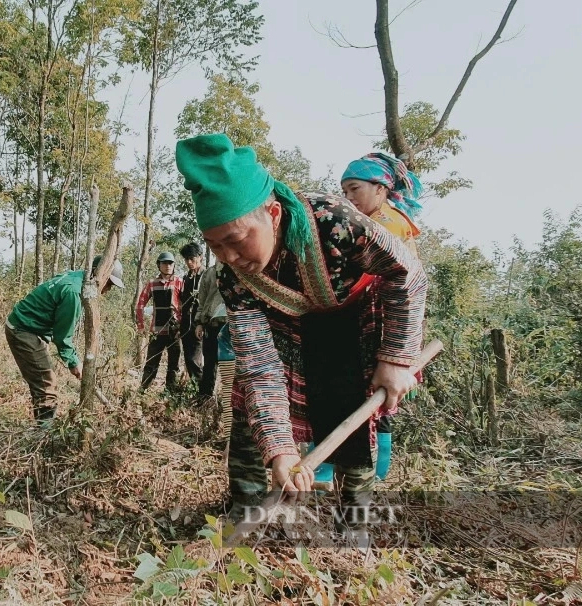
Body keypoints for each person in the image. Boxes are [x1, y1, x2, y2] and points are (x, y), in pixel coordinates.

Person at [175, 133, 427, 535]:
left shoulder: (334, 220)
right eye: (214, 247)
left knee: (354, 425)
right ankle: (246, 516)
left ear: (273, 214)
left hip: (354, 324)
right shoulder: (234, 280)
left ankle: (354, 529)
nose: (228, 257)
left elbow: (406, 272)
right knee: (248, 416)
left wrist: (395, 357)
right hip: (285, 333)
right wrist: (280, 449)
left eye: (236, 241)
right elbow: (259, 366)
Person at [341, 152, 425, 481]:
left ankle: (374, 470)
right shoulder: (371, 221)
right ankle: (372, 469)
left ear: (380, 189)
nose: (348, 198)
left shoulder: (387, 225)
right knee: (373, 396)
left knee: (379, 394)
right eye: (344, 192)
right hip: (372, 317)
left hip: (386, 324)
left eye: (354, 189)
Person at [6, 257, 124, 422]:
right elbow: (62, 337)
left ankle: (41, 422)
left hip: (30, 327)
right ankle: (43, 434)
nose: (108, 290)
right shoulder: (73, 293)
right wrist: (74, 362)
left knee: (42, 382)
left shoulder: (77, 277)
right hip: (23, 329)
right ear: (97, 273)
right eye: (109, 284)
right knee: (46, 385)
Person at [136, 251, 184, 393]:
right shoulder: (152, 283)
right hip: (157, 330)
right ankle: (143, 390)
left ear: (174, 265)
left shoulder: (179, 282)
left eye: (170, 263)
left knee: (173, 364)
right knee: (151, 362)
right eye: (164, 263)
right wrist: (140, 325)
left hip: (174, 331)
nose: (168, 266)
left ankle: (170, 393)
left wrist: (183, 324)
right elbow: (140, 304)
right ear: (159, 265)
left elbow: (187, 305)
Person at [194, 259, 227, 403]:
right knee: (209, 363)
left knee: (230, 366)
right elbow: (202, 300)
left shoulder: (237, 271)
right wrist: (199, 323)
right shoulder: (209, 273)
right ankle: (204, 398)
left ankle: (229, 404)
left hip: (230, 326)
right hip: (210, 324)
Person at [179, 242, 205, 384]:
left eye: (192, 258)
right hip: (185, 323)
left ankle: (201, 393)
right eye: (186, 259)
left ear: (200, 257)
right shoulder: (186, 278)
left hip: (199, 324)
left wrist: (201, 323)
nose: (189, 262)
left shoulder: (206, 276)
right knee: (188, 358)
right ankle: (194, 389)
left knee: (195, 358)